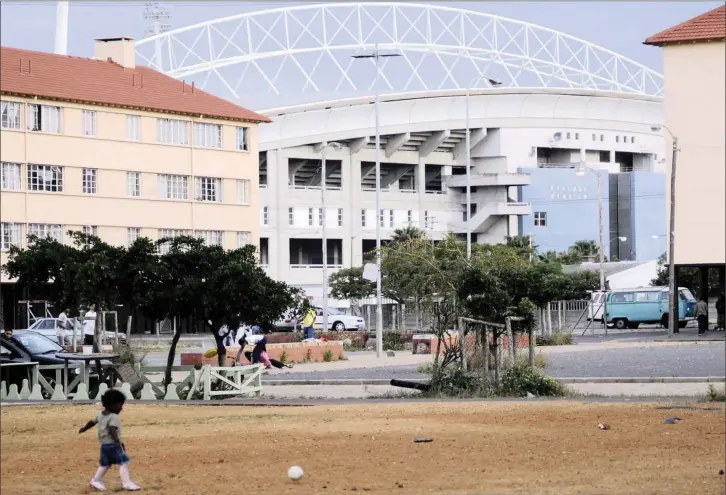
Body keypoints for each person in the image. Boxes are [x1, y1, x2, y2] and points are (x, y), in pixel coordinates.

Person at [78, 389, 141, 492]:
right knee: (123, 462)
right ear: (114, 404)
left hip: (104, 445)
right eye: (120, 405)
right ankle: (127, 482)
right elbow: (112, 429)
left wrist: (84, 428)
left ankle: (96, 480)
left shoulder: (100, 414)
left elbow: (92, 422)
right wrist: (118, 442)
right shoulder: (114, 417)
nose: (121, 408)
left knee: (105, 464)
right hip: (113, 445)